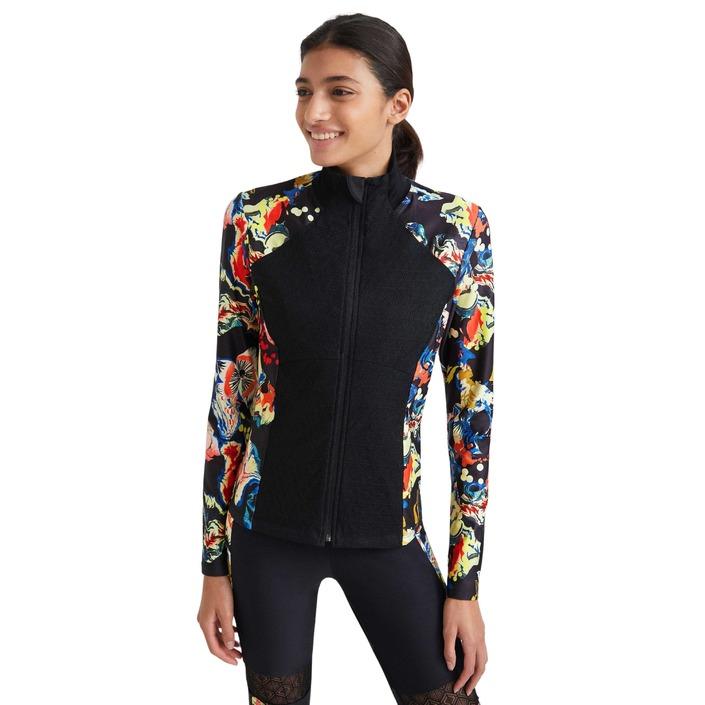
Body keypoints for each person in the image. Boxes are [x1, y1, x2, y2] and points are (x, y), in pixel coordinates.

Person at [196, 12, 494, 705]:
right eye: (304, 91)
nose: (314, 112)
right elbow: (230, 394)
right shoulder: (257, 221)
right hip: (266, 536)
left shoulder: (456, 230)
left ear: (397, 104)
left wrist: (464, 585)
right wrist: (213, 563)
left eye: (339, 91)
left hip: (389, 535)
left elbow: (471, 414)